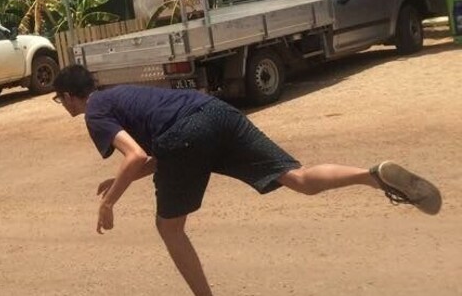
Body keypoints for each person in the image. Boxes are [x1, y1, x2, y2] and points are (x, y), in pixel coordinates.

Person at [52, 64, 441, 296]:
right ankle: (371, 176)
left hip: (184, 134)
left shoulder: (95, 112)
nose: (63, 105)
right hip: (215, 112)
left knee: (169, 228)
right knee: (296, 177)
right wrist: (122, 181)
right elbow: (163, 155)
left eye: (60, 99)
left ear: (70, 96)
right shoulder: (120, 95)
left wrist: (108, 203)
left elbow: (138, 154)